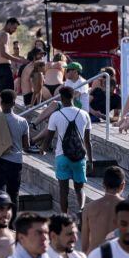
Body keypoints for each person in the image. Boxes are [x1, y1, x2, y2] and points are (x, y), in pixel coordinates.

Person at [35, 86, 92, 215]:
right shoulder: (84, 115)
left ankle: (64, 215)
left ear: (61, 98)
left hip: (62, 156)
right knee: (79, 188)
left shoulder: (56, 115)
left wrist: (43, 149)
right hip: (80, 156)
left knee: (63, 189)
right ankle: (81, 209)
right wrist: (90, 160)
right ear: (73, 97)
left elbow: (48, 137)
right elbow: (88, 141)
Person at [0, 89, 30, 219]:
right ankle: (12, 225)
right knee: (14, 194)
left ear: (1, 103)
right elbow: (26, 146)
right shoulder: (22, 121)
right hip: (16, 162)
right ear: (14, 103)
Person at [81, 166, 126, 252]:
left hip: (95, 257)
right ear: (123, 185)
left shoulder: (89, 208)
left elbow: (84, 244)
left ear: (103, 184)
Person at [0, 18, 23, 93]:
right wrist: (20, 60)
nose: (15, 30)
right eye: (14, 28)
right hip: (4, 68)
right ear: (9, 24)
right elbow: (3, 53)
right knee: (8, 95)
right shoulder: (5, 34)